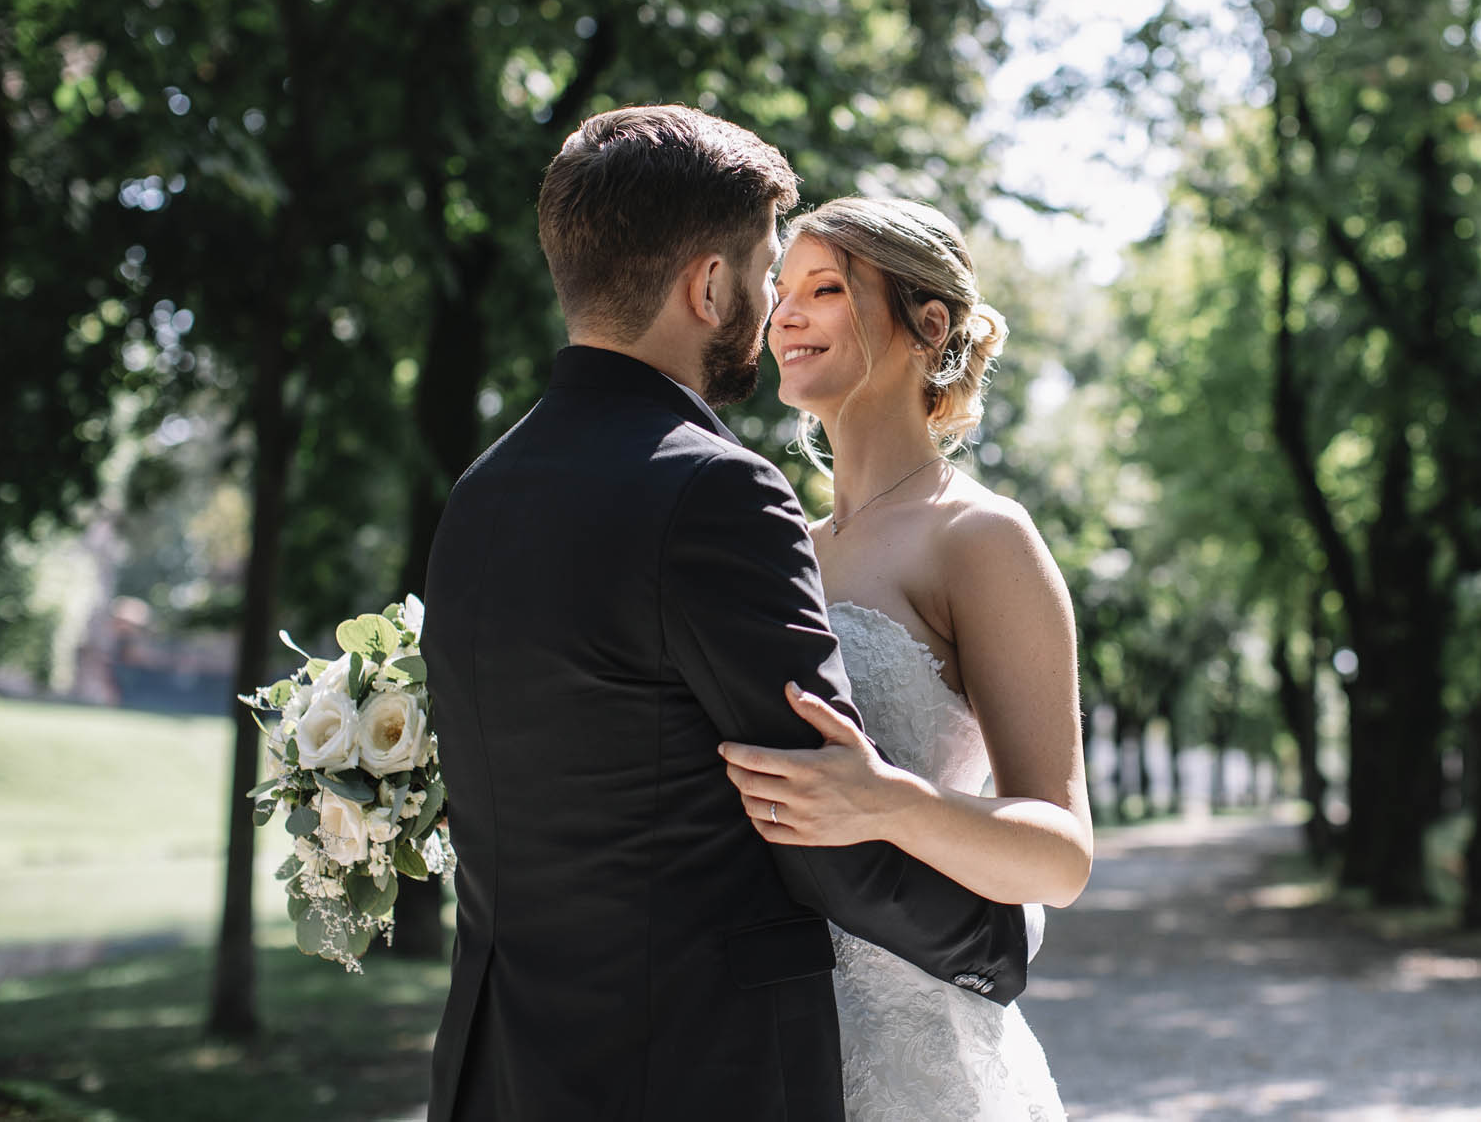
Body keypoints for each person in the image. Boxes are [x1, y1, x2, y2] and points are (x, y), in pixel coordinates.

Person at [421, 108, 1032, 1122]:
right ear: (708, 288)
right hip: (689, 1069)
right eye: (764, 273)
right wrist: (997, 951)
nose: (771, 309)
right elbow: (815, 814)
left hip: (504, 1070)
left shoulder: (478, 495)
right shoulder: (715, 490)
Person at [719, 196, 1092, 1120]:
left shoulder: (982, 538)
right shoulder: (782, 547)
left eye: (825, 288)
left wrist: (888, 800)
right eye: (781, 291)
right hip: (766, 1052)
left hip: (925, 1063)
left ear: (928, 325)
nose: (784, 315)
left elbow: (1060, 857)